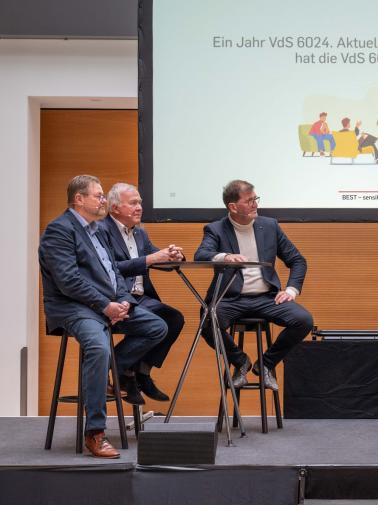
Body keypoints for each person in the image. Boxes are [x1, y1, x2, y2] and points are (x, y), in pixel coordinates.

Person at [39, 175, 167, 458]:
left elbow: (113, 271)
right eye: (98, 196)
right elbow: (68, 281)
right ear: (79, 199)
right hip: (73, 307)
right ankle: (95, 433)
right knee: (97, 347)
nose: (102, 200)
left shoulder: (96, 229)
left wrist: (123, 299)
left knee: (158, 326)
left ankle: (114, 371)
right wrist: (105, 306)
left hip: (105, 303)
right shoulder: (58, 231)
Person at [194, 180, 313, 391]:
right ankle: (241, 362)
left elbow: (297, 261)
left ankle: (266, 364)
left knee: (303, 320)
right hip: (230, 298)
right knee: (207, 320)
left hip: (267, 297)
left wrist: (291, 290)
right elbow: (201, 255)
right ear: (233, 207)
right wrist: (225, 256)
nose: (255, 204)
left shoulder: (269, 226)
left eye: (255, 199)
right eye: (249, 201)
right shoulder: (216, 229)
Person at [101, 182, 185, 403]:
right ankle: (118, 365)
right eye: (133, 203)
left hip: (141, 298)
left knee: (174, 318)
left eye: (140, 202)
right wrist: (150, 259)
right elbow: (108, 268)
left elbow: (155, 256)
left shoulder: (139, 232)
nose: (139, 207)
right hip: (116, 299)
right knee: (157, 328)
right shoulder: (102, 231)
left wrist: (173, 256)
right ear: (115, 208)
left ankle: (142, 372)